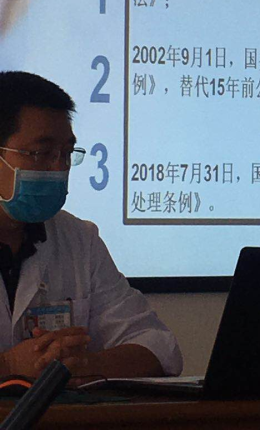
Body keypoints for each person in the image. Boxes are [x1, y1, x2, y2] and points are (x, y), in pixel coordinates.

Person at [0, 71, 183, 379]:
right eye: (42, 153)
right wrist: (8, 366)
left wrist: (85, 365)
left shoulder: (78, 239)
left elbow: (159, 347)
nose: (59, 168)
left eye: (66, 154)